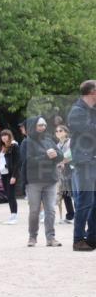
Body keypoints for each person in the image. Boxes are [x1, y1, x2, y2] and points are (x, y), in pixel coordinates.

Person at [19, 118, 64, 247]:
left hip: (51, 180)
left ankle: (51, 238)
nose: (43, 127)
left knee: (50, 210)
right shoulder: (26, 142)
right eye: (40, 125)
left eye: (44, 124)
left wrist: (56, 154)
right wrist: (46, 156)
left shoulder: (49, 140)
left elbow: (60, 156)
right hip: (34, 181)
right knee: (34, 210)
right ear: (33, 126)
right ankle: (32, 237)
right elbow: (27, 162)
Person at [67, 80, 96, 251]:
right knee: (85, 202)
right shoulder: (77, 112)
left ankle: (92, 238)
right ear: (92, 92)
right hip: (84, 162)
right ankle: (78, 239)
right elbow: (90, 131)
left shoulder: (91, 111)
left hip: (92, 160)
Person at [0, 129, 20, 224]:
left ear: (9, 136)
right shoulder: (2, 147)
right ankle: (12, 214)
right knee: (8, 194)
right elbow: (3, 160)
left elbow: (17, 162)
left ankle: (14, 215)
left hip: (11, 173)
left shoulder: (14, 146)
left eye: (6, 135)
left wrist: (14, 176)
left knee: (11, 195)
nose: (4, 137)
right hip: (4, 173)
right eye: (2, 136)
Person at [55, 124, 75, 224]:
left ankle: (78, 216)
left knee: (74, 193)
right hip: (61, 171)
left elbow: (71, 155)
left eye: (60, 130)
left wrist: (62, 161)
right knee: (65, 193)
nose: (58, 132)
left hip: (71, 169)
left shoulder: (70, 142)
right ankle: (70, 215)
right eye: (57, 131)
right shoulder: (57, 145)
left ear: (66, 132)